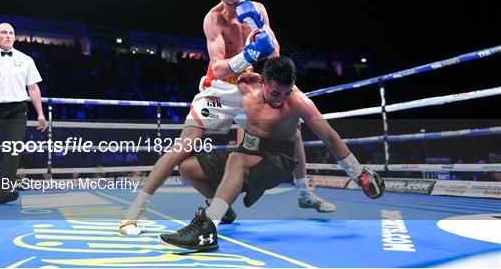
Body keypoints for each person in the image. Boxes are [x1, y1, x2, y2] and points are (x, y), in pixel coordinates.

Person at [119, 0, 333, 235]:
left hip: (250, 86)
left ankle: (304, 192)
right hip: (217, 90)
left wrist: (262, 42)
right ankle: (134, 212)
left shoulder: (258, 9)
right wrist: (247, 54)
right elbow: (219, 68)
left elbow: (275, 54)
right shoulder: (213, 19)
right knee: (183, 148)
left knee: (292, 130)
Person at [160, 56, 385, 251]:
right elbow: (219, 76)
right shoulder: (246, 85)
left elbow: (329, 136)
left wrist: (357, 172)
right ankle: (224, 208)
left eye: (287, 92)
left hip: (277, 160)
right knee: (187, 167)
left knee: (237, 160)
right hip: (246, 152)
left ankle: (207, 227)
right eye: (275, 92)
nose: (280, 99)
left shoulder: (300, 103)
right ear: (261, 82)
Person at [0, 22, 48, 204]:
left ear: (14, 37)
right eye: (4, 32)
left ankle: (4, 191)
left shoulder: (26, 59)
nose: (8, 35)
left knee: (13, 149)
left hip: (17, 109)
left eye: (11, 33)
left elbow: (33, 87)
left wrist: (40, 114)